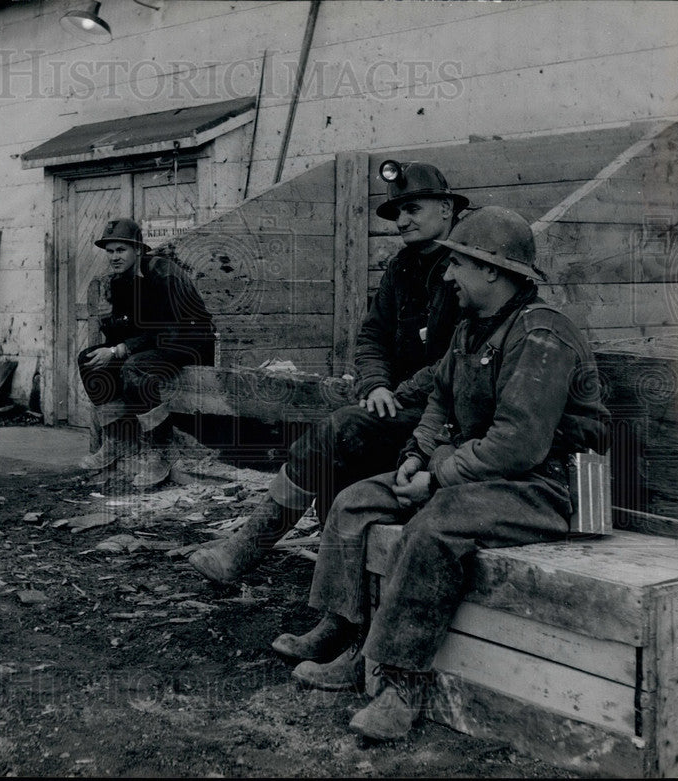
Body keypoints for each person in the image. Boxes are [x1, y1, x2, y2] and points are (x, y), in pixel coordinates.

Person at [273, 206, 610, 741]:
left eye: (457, 264)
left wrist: (437, 477)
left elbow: (518, 445)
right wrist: (413, 455)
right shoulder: (473, 330)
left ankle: (402, 684)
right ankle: (347, 635)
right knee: (356, 501)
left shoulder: (542, 335)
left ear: (492, 270)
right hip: (483, 476)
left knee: (435, 522)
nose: (447, 275)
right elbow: (439, 403)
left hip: (549, 488)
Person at [189, 161, 468, 583]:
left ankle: (247, 550)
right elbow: (372, 336)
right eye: (396, 212)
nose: (402, 220)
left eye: (413, 209)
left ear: (446, 209)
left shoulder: (469, 267)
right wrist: (375, 384)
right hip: (399, 403)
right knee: (335, 452)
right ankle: (336, 572)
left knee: (338, 431)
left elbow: (458, 358)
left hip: (446, 412)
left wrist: (399, 393)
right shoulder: (403, 267)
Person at [77, 217, 215, 488]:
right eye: (110, 251)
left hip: (190, 341)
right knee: (89, 360)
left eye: (121, 250)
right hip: (155, 343)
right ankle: (119, 439)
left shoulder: (164, 274)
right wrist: (112, 346)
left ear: (138, 249)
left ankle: (162, 452)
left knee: (135, 367)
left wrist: (120, 350)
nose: (114, 257)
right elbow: (128, 326)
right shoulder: (120, 280)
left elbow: (174, 328)